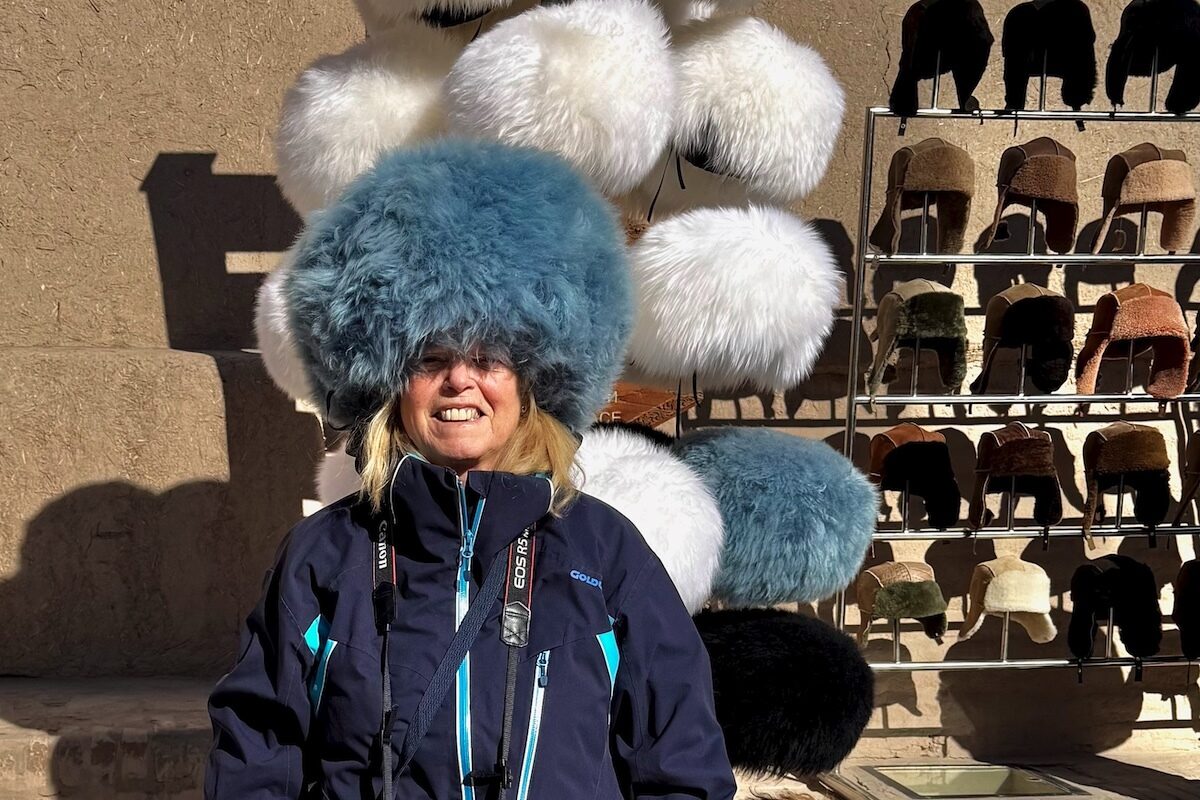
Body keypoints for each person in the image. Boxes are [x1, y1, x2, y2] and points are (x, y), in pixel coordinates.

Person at [204, 139, 736, 800]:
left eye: (489, 356)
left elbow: (681, 764)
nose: (461, 380)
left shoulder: (604, 554)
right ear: (393, 380)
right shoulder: (325, 558)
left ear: (533, 379)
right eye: (431, 357)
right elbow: (257, 753)